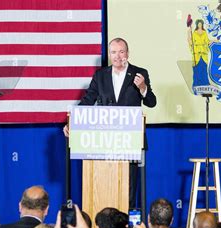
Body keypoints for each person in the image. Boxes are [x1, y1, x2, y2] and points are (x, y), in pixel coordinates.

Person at [64, 38, 157, 207]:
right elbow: (87, 100)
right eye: (113, 52)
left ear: (127, 54)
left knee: (128, 189)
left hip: (130, 141)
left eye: (121, 52)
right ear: (109, 54)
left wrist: (143, 88)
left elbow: (152, 102)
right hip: (104, 142)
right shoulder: (101, 76)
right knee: (103, 187)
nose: (117, 56)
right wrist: (72, 122)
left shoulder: (139, 73)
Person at [188, 19, 211, 88]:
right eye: (198, 24)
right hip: (196, 54)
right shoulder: (194, 33)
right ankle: (197, 84)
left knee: (204, 69)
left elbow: (207, 41)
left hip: (203, 54)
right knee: (197, 69)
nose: (200, 25)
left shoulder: (204, 32)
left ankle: (205, 84)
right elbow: (190, 42)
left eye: (201, 24)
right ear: (197, 25)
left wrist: (214, 41)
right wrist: (189, 32)